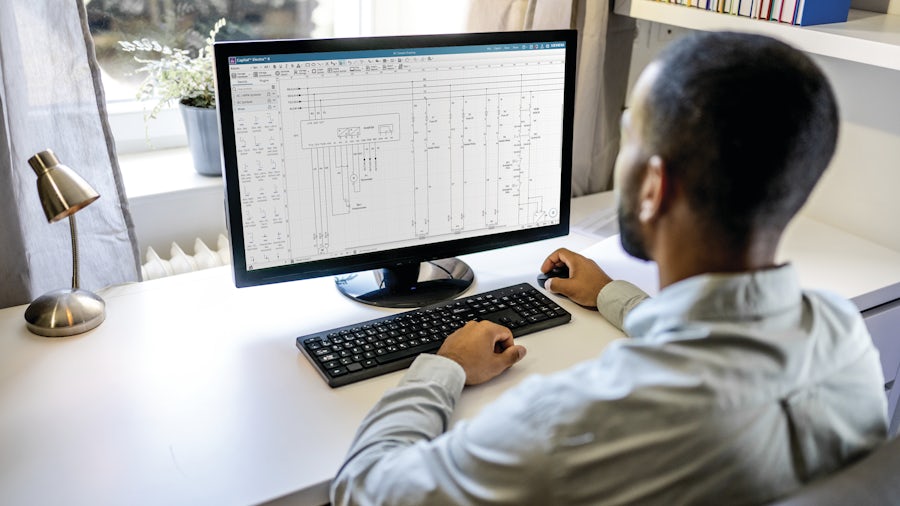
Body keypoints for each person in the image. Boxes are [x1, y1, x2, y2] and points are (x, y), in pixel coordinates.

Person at [330, 32, 888, 505]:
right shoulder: (844, 336)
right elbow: (717, 341)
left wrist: (443, 367)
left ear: (653, 186)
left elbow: (361, 488)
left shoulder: (573, 421)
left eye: (629, 137)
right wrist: (611, 296)